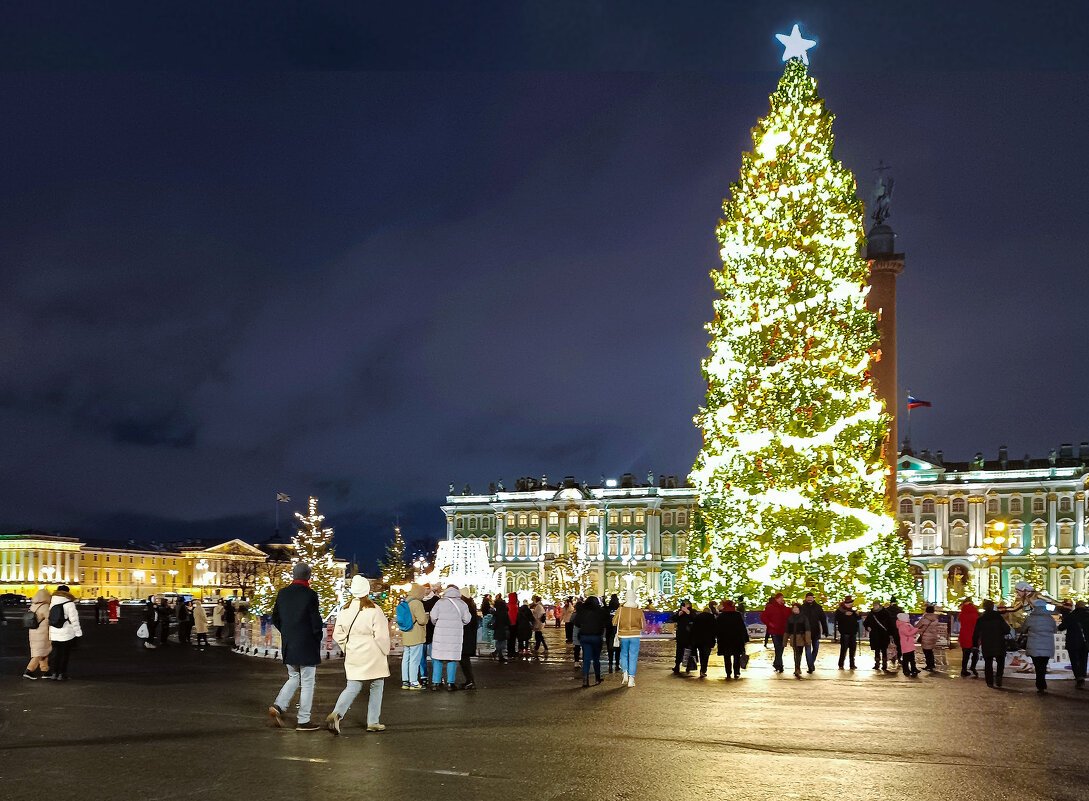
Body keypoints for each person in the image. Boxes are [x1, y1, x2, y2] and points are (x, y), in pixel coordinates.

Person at [326, 575, 389, 734]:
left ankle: (337, 713)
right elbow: (381, 634)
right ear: (367, 590)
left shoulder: (345, 610)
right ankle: (373, 721)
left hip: (354, 651)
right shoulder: (374, 609)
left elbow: (337, 634)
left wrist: (347, 646)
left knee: (353, 686)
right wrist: (385, 650)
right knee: (377, 685)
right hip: (373, 651)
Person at [267, 563, 324, 731]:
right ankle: (303, 720)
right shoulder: (310, 595)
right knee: (307, 682)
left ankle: (278, 706)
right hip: (307, 644)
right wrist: (317, 636)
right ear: (308, 576)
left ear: (293, 575)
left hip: (289, 643)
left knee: (293, 677)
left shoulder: (283, 593)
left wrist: (286, 632)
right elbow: (315, 621)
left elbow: (275, 617)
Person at [429, 585, 471, 690]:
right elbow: (467, 619)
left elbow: (433, 616)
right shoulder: (462, 604)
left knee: (438, 657)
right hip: (455, 636)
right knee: (452, 658)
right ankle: (450, 683)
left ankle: (435, 683)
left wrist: (437, 623)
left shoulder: (440, 602)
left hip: (440, 634)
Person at [1020, 599, 1057, 694]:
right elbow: (1055, 630)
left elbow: (1023, 629)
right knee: (1043, 665)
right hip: (1047, 646)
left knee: (1037, 666)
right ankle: (1042, 684)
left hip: (1034, 645)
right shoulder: (1050, 618)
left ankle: (1040, 684)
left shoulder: (1031, 618)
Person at [973, 599, 1012, 688]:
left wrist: (975, 644)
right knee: (1000, 662)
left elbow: (976, 633)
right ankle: (998, 678)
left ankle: (989, 681)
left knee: (988, 663)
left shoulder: (981, 619)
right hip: (999, 643)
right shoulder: (998, 617)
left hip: (987, 643)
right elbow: (1007, 629)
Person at [47, 584, 82, 680]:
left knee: (55, 653)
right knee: (64, 654)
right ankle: (62, 674)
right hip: (66, 633)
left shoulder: (52, 602)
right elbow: (74, 620)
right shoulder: (69, 604)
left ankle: (54, 673)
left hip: (54, 632)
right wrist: (78, 633)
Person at [573, 595, 608, 687]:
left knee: (586, 658)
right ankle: (597, 678)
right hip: (596, 636)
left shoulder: (582, 611)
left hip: (585, 636)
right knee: (596, 658)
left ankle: (585, 680)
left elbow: (576, 622)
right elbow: (607, 620)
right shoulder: (600, 612)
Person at [399, 584, 429, 690]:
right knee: (415, 659)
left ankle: (405, 681)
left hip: (406, 633)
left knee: (406, 658)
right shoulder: (417, 603)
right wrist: (427, 617)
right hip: (416, 634)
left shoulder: (405, 601)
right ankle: (414, 682)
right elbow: (421, 620)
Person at [613, 591, 645, 687]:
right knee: (633, 656)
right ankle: (631, 678)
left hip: (623, 635)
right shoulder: (639, 611)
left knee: (624, 654)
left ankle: (625, 672)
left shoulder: (621, 610)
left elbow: (614, 622)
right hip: (635, 635)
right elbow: (643, 625)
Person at [1058, 600, 1089, 688]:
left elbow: (1061, 627)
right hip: (1085, 642)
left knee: (1075, 661)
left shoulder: (1071, 616)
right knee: (1083, 659)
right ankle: (1082, 675)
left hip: (1073, 642)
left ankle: (1078, 677)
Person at [715, 599, 749, 679]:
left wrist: (717, 637)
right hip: (737, 639)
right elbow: (742, 627)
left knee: (727, 656)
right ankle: (736, 672)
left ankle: (728, 672)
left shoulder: (721, 616)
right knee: (736, 655)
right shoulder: (737, 615)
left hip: (725, 639)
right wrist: (745, 638)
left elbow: (718, 628)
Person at [23, 588, 52, 679]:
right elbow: (50, 620)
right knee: (39, 653)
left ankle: (45, 670)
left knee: (42, 651)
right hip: (42, 632)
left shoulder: (33, 606)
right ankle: (29, 670)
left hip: (33, 631)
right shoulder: (45, 607)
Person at [760, 593, 790, 674]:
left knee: (781, 648)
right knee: (778, 647)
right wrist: (769, 624)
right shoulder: (770, 607)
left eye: (782, 598)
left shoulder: (786, 609)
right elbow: (763, 617)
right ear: (776, 599)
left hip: (784, 631)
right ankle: (780, 665)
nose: (782, 599)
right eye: (780, 598)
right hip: (774, 631)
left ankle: (777, 663)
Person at [800, 592, 828, 673]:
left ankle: (811, 663)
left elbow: (823, 619)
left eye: (811, 597)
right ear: (805, 598)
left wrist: (825, 630)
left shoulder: (818, 607)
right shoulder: (802, 608)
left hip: (815, 631)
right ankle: (810, 666)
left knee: (815, 649)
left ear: (813, 598)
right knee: (808, 649)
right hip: (806, 632)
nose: (809, 599)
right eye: (808, 597)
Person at [783, 602, 811, 678]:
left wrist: (807, 640)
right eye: (793, 608)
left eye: (796, 608)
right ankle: (797, 668)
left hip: (801, 638)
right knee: (796, 653)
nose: (794, 609)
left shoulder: (804, 618)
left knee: (799, 653)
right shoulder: (790, 618)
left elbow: (807, 629)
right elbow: (787, 630)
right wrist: (784, 641)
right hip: (793, 637)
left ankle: (797, 667)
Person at [421, 584, 441, 684]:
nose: (426, 591)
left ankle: (436, 678)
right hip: (422, 631)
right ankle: (424, 676)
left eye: (427, 588)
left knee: (435, 656)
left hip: (434, 631)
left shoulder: (436, 599)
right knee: (422, 656)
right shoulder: (419, 600)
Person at [834, 596, 860, 670]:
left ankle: (852, 664)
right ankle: (841, 664)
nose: (850, 604)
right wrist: (844, 615)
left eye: (851, 603)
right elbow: (837, 618)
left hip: (853, 632)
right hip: (845, 632)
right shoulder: (840, 610)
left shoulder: (854, 610)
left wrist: (857, 614)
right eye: (848, 603)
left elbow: (858, 618)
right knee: (844, 649)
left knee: (853, 649)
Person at [863, 601, 891, 671]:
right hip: (875, 634)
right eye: (874, 605)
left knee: (884, 649)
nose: (875, 607)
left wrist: (890, 633)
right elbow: (866, 623)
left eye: (876, 605)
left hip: (883, 634)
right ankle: (877, 664)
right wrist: (867, 627)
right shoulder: (871, 613)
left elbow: (890, 624)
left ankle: (884, 664)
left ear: (879, 605)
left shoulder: (885, 613)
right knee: (876, 650)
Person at [691, 605, 717, 677]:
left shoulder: (697, 617)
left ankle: (701, 668)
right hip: (708, 640)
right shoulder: (712, 618)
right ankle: (703, 670)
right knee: (706, 656)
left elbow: (693, 628)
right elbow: (714, 629)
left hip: (698, 639)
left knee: (701, 653)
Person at [460, 594, 480, 689]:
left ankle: (470, 681)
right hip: (469, 638)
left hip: (465, 637)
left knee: (464, 661)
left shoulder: (466, 608)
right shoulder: (471, 606)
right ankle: (469, 681)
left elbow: (466, 622)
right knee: (465, 660)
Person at [958, 599, 980, 677]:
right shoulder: (976, 615)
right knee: (975, 653)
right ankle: (973, 667)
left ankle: (963, 670)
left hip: (964, 635)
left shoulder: (961, 615)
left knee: (965, 654)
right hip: (974, 636)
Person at [672, 599, 695, 673]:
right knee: (679, 651)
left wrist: (688, 612)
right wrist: (679, 614)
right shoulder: (680, 612)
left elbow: (694, 618)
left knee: (689, 651)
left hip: (689, 635)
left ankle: (689, 666)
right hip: (681, 634)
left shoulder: (692, 611)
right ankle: (677, 665)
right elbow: (674, 618)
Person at [915, 605, 941, 672]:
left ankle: (929, 665)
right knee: (930, 651)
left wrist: (915, 629)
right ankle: (931, 665)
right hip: (933, 636)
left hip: (926, 636)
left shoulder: (926, 618)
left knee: (926, 651)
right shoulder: (935, 618)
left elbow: (920, 625)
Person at [895, 612, 919, 677]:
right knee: (906, 659)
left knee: (912, 658)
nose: (909, 619)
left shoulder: (907, 625)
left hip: (909, 643)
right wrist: (916, 630)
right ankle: (906, 670)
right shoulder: (902, 626)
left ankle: (913, 669)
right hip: (906, 644)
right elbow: (908, 633)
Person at [490, 595, 509, 663]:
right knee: (502, 643)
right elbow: (507, 621)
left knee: (499, 642)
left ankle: (497, 653)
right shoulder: (504, 612)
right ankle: (498, 654)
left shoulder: (496, 612)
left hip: (497, 629)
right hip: (503, 629)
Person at [886, 596, 904, 666]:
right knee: (898, 644)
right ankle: (899, 657)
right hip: (897, 629)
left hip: (889, 629)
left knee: (888, 644)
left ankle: (888, 657)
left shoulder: (887, 610)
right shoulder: (899, 610)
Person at [604, 594, 620, 670]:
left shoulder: (608, 608)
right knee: (617, 648)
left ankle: (610, 663)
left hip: (609, 629)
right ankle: (617, 664)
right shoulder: (619, 609)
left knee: (609, 647)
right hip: (617, 629)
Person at [505, 591, 519, 660]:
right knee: (513, 638)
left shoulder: (508, 605)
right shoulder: (515, 606)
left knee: (509, 638)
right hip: (514, 624)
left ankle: (509, 650)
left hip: (508, 624)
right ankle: (512, 650)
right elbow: (516, 616)